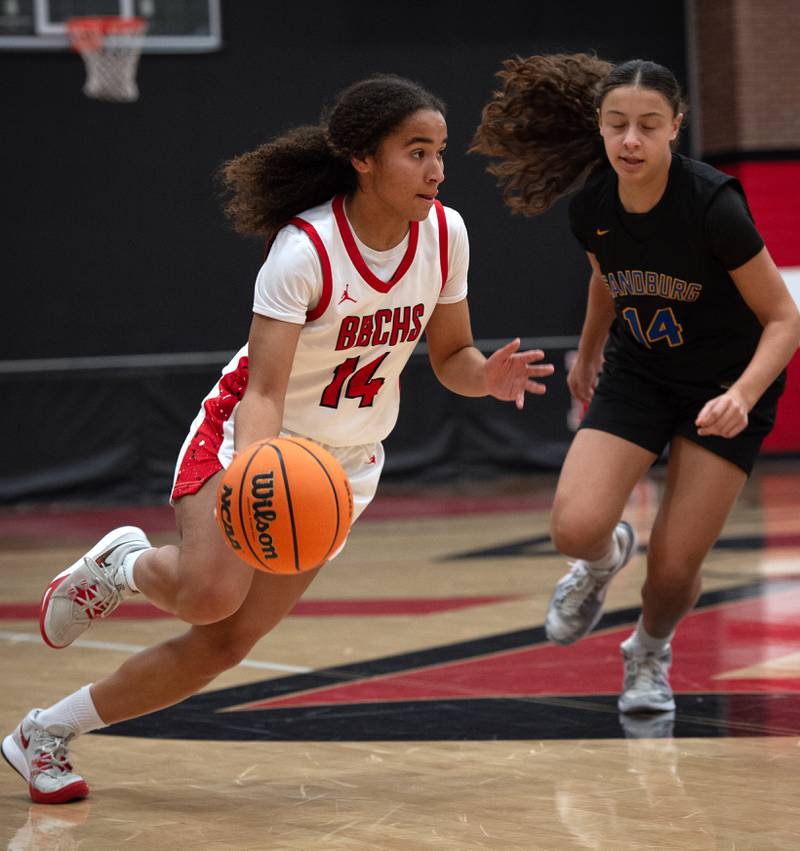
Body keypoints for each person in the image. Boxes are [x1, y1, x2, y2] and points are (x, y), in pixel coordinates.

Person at [2, 74, 555, 804]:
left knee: (227, 642)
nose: (437, 170)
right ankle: (124, 565)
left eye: (440, 152)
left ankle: (43, 733)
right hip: (253, 437)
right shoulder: (306, 249)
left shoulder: (445, 234)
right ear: (364, 158)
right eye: (417, 152)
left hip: (343, 467)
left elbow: (452, 355)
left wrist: (487, 376)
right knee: (208, 595)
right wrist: (257, 474)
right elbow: (262, 391)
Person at [472, 55, 800, 715]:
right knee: (575, 528)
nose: (631, 139)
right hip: (640, 372)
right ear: (599, 125)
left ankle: (648, 651)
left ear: (675, 126)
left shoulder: (713, 205)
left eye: (648, 125)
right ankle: (602, 560)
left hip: (722, 388)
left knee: (674, 568)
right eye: (617, 123)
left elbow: (784, 318)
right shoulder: (593, 205)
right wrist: (589, 352)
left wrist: (742, 394)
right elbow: (607, 276)